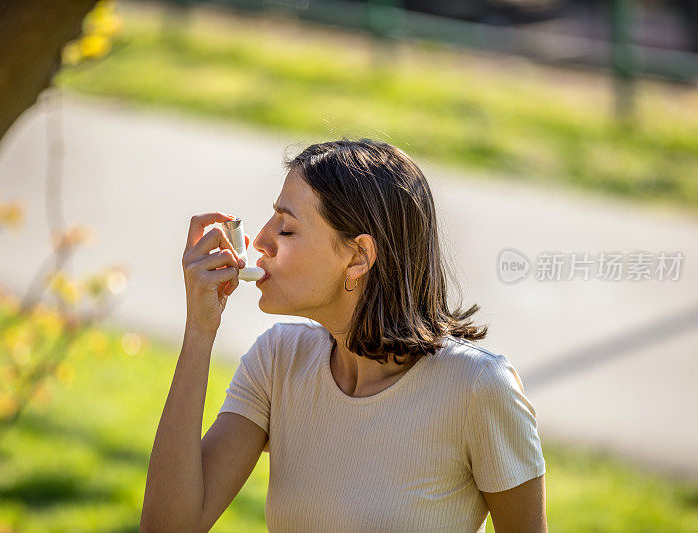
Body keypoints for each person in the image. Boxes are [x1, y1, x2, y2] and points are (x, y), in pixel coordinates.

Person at [140, 139, 547, 533]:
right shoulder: (278, 360)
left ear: (358, 256)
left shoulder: (477, 388)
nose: (259, 242)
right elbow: (169, 528)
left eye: (285, 228)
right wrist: (199, 329)